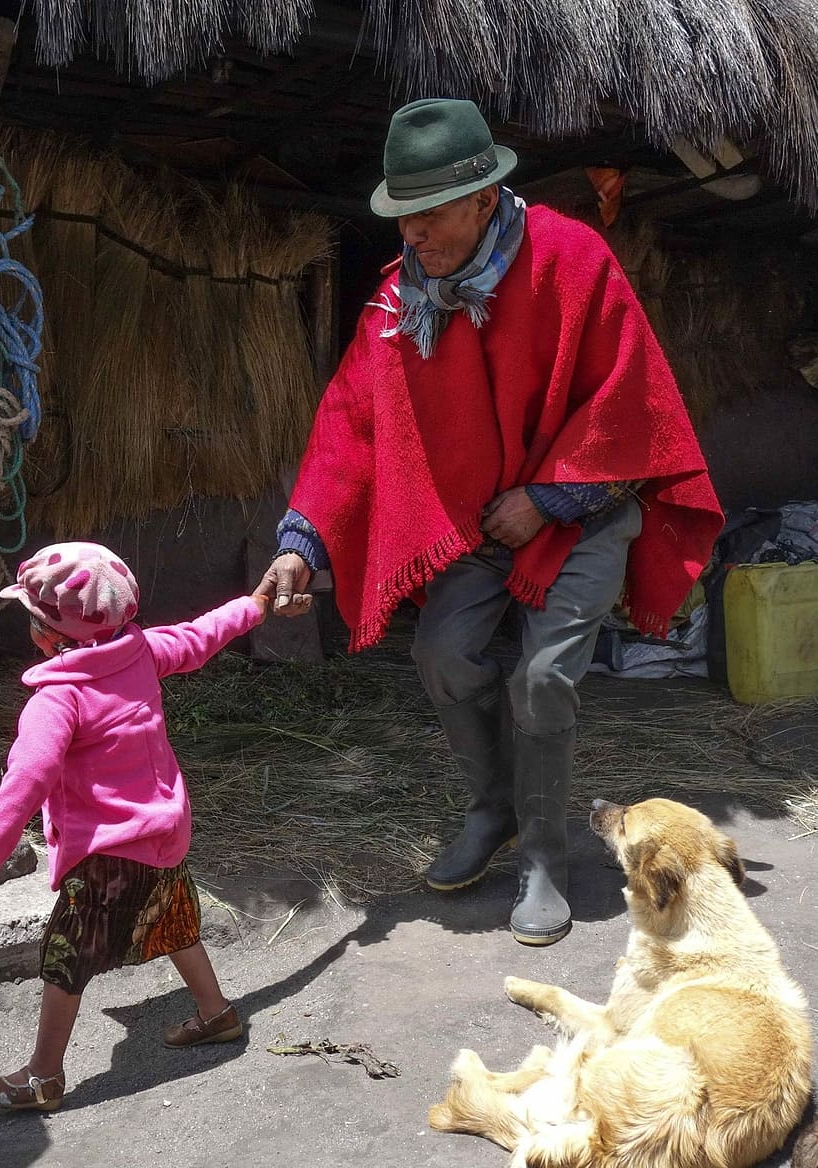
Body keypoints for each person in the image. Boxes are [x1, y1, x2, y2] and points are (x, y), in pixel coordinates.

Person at [256, 98, 724, 947]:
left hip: (585, 514)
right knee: (442, 652)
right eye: (401, 218)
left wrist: (551, 497)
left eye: (428, 217)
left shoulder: (571, 258)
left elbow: (629, 399)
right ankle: (495, 805)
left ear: (482, 199)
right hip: (479, 525)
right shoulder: (403, 298)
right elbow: (353, 423)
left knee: (542, 678)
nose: (412, 236)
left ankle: (544, 855)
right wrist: (301, 540)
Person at [0, 542, 270, 1111]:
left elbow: (27, 776)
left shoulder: (57, 699)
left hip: (109, 850)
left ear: (48, 635)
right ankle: (216, 1013)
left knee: (67, 956)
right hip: (164, 829)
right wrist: (254, 605)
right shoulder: (141, 652)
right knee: (173, 918)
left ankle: (42, 1076)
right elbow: (203, 635)